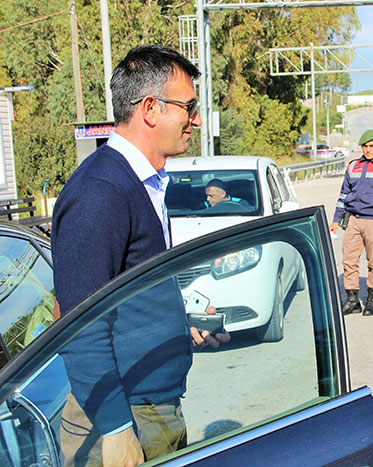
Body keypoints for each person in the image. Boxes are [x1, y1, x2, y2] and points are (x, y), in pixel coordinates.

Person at [52, 45, 228, 467]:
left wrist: (179, 327)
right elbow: (80, 323)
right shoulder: (101, 192)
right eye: (188, 106)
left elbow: (125, 299)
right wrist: (115, 428)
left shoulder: (141, 182)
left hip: (149, 408)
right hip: (122, 416)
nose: (196, 119)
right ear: (150, 108)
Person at [329, 129, 373, 316]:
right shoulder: (353, 166)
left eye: (371, 146)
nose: (368, 150)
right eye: (365, 146)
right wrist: (336, 220)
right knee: (349, 261)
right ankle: (352, 300)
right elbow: (343, 195)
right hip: (353, 220)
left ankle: (371, 299)